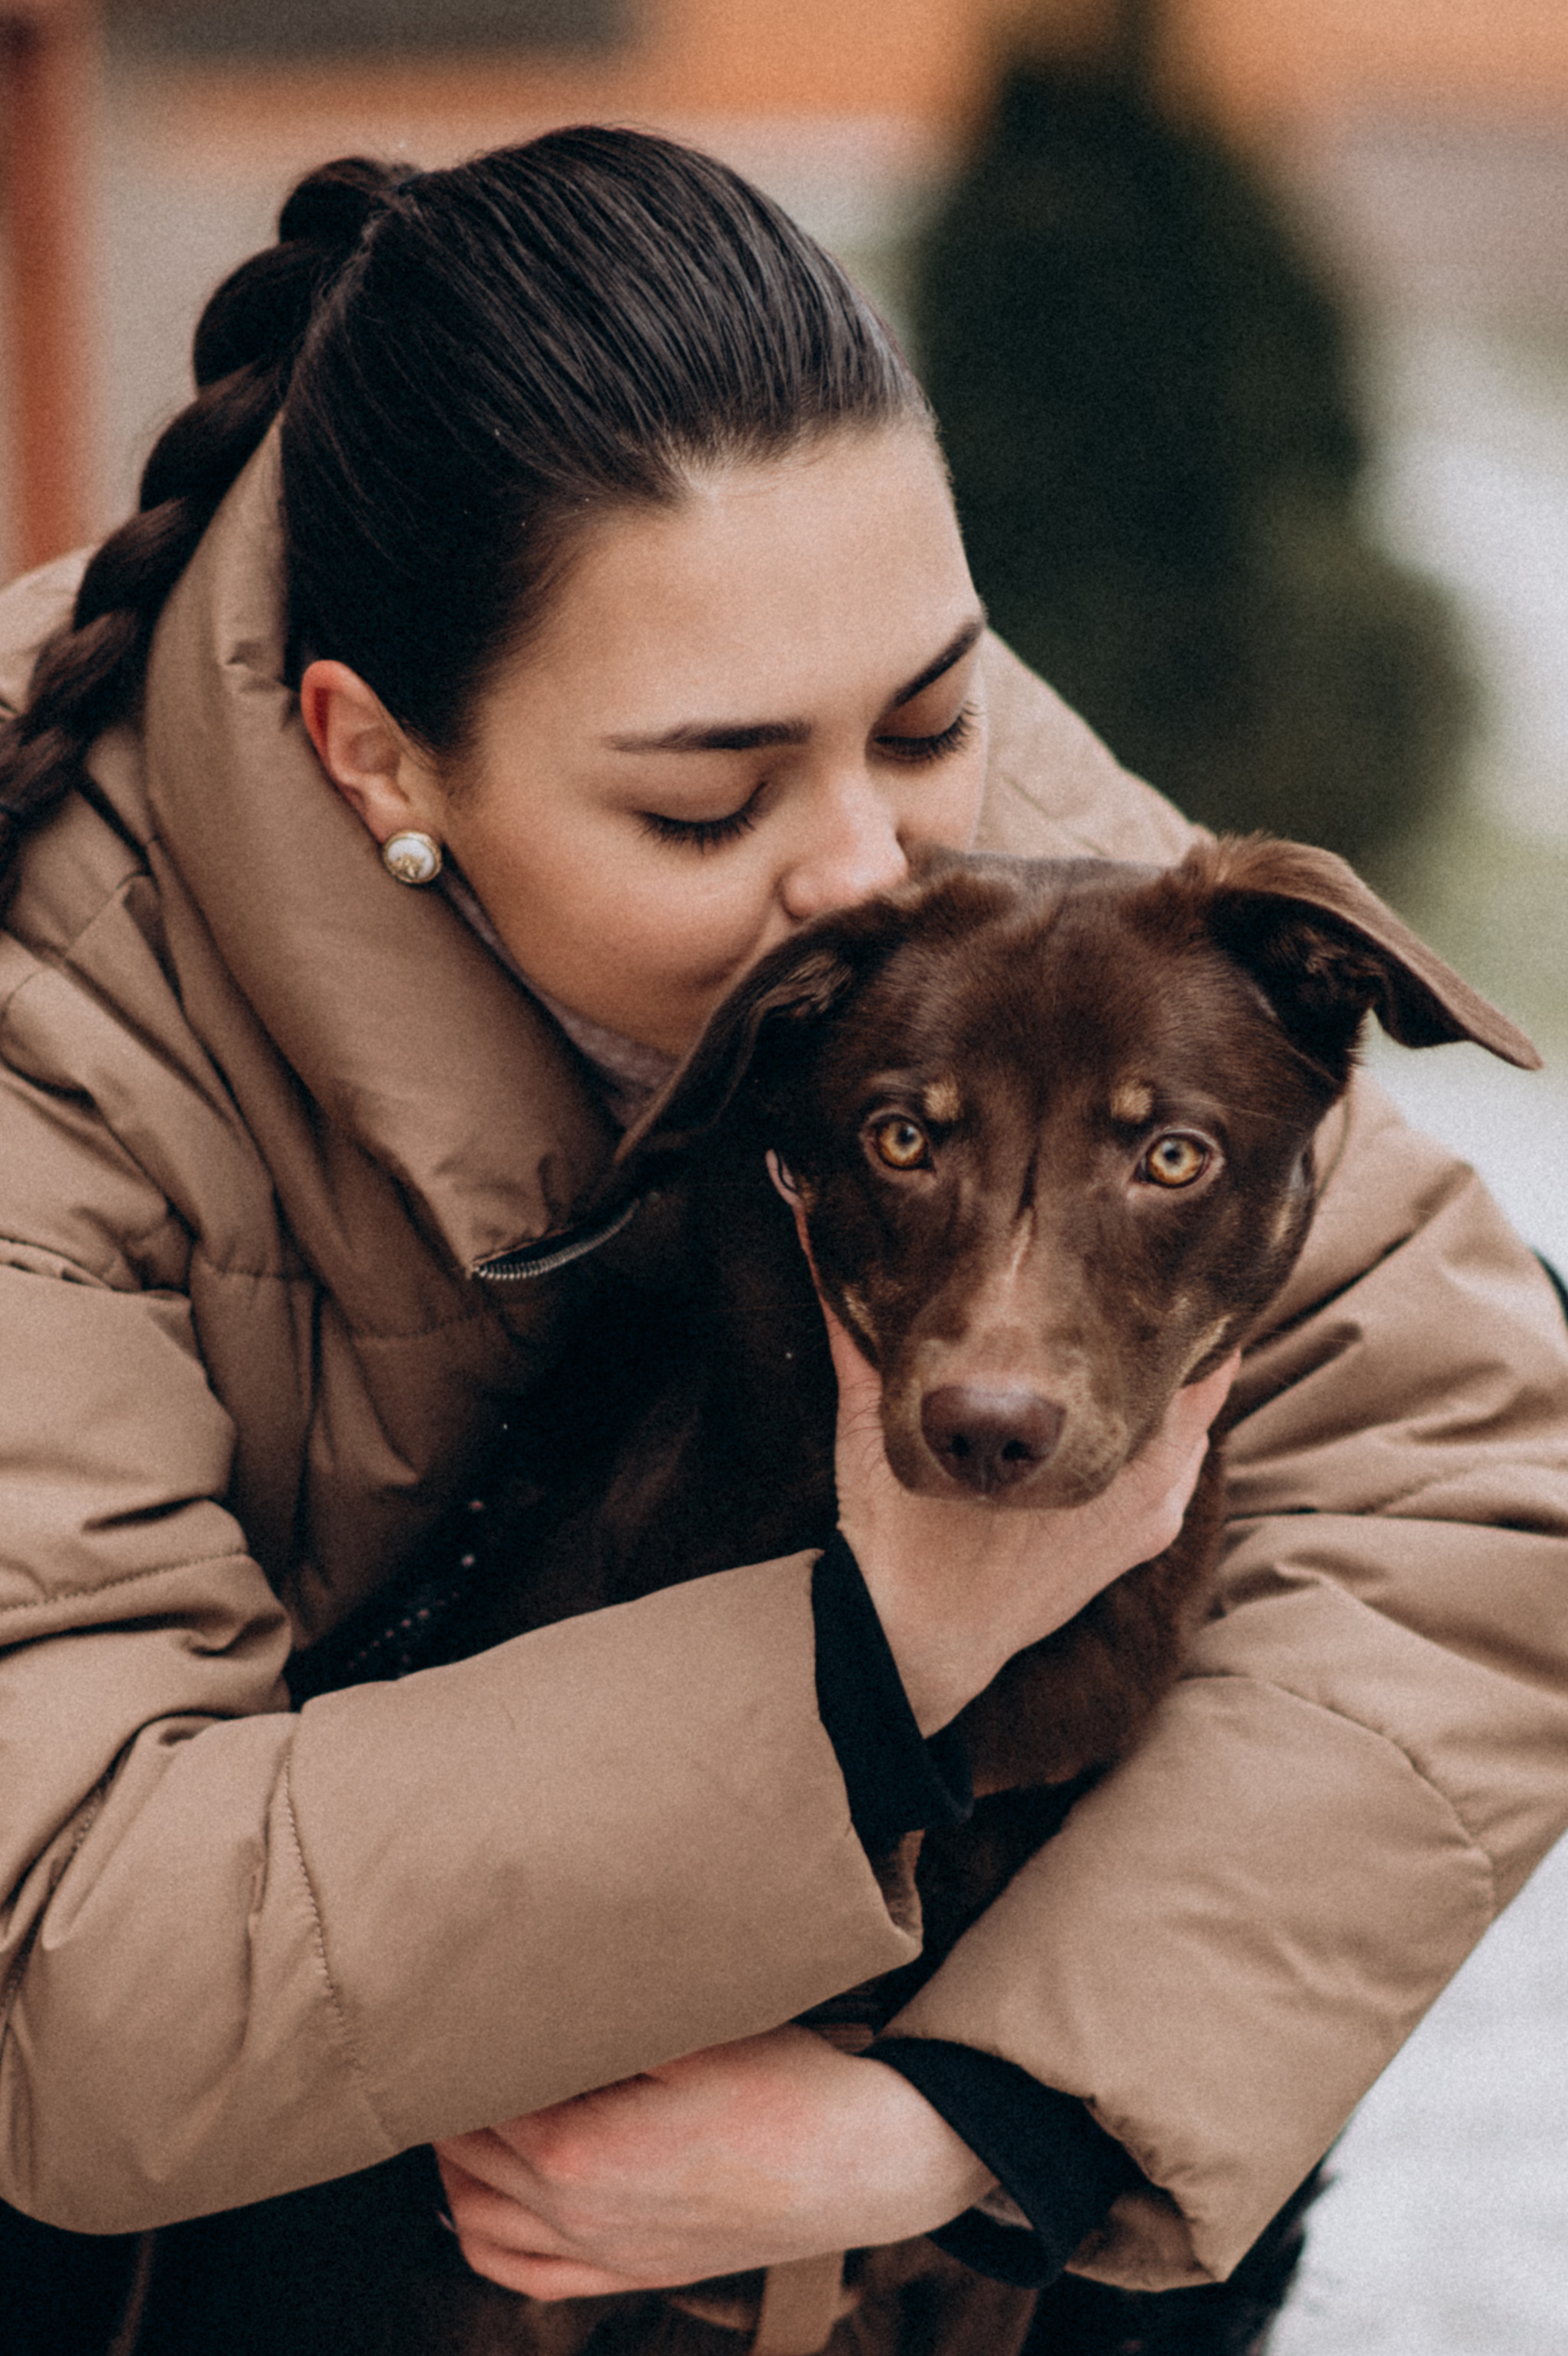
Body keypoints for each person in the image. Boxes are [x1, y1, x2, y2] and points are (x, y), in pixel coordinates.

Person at [0, 128, 1564, 2356]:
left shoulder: (901, 791)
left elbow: (1473, 1455)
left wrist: (975, 2114)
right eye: (703, 805)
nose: (863, 869)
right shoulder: (51, 1014)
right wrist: (863, 1659)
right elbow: (66, 1979)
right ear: (377, 760)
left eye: (930, 718)